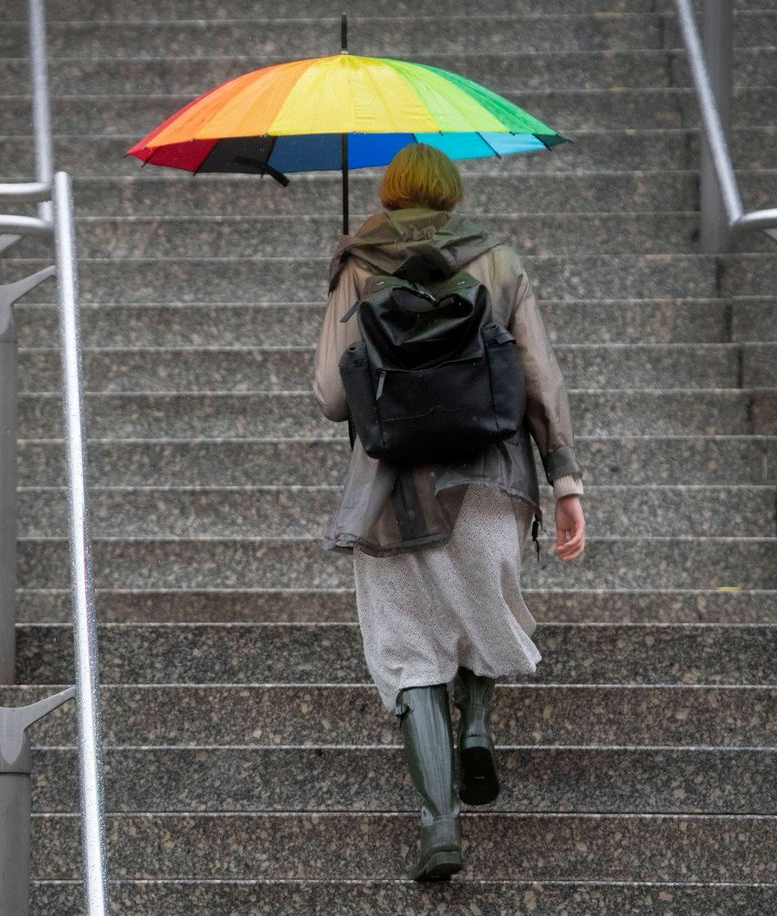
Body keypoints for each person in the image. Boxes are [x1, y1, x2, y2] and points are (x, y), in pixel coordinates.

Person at [310, 143, 587, 881]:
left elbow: (333, 397)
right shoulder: (497, 256)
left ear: (392, 192)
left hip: (393, 487)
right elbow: (539, 375)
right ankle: (479, 724)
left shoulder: (359, 260)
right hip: (492, 475)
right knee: (479, 614)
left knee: (410, 649)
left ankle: (439, 826)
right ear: (452, 192)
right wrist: (565, 480)